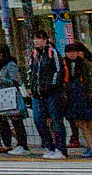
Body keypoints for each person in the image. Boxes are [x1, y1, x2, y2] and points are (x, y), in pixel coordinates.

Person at [64, 42, 92, 158]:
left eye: (74, 52)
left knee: (86, 122)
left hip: (83, 97)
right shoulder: (67, 64)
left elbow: (90, 82)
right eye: (69, 52)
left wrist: (90, 97)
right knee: (83, 123)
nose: (72, 54)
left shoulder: (84, 64)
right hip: (75, 96)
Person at [0, 39, 28, 155]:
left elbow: (15, 81)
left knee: (16, 121)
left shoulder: (10, 64)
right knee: (7, 120)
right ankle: (11, 144)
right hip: (3, 95)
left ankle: (22, 145)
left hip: (11, 95)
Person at [30, 29, 68, 159]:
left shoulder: (53, 53)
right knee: (38, 120)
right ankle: (49, 146)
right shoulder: (34, 54)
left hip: (52, 93)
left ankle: (61, 148)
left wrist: (52, 86)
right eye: (35, 39)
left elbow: (59, 71)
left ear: (45, 40)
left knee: (56, 120)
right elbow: (31, 72)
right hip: (37, 94)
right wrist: (32, 87)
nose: (37, 41)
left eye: (39, 38)